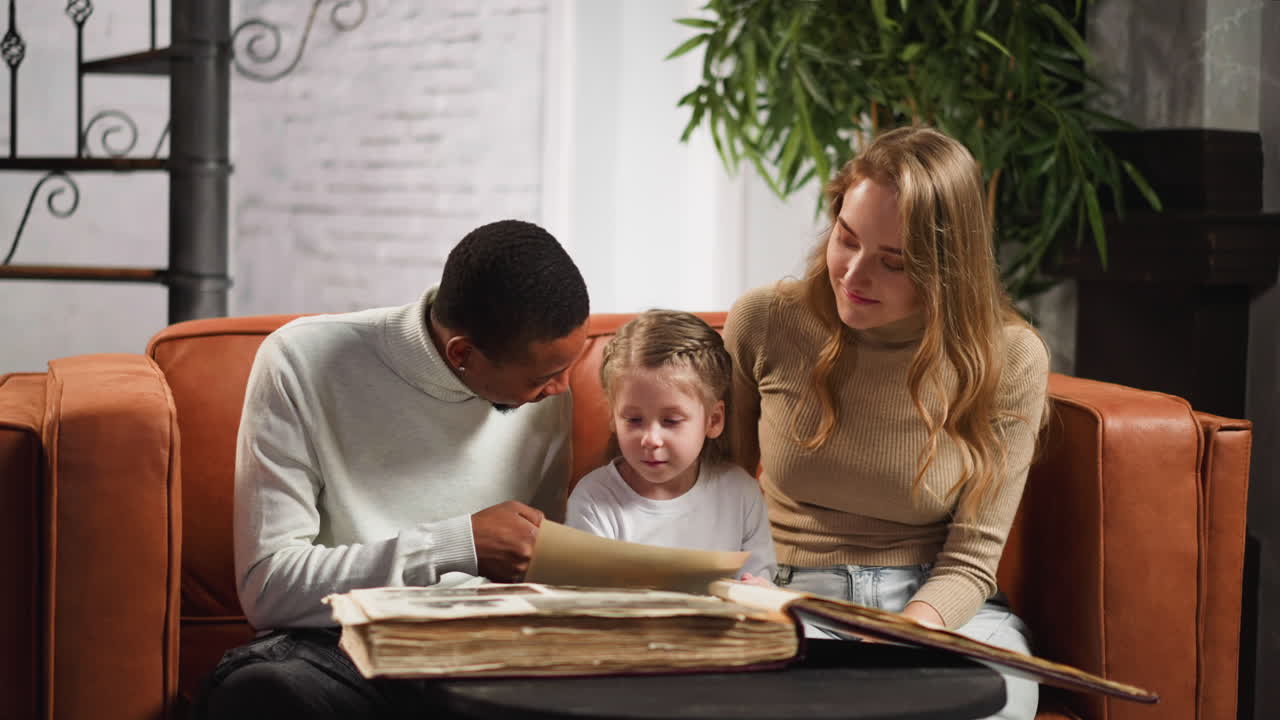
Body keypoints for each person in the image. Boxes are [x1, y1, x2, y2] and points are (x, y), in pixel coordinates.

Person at [196, 219, 590, 720]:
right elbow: (269, 588)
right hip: (341, 650)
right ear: (463, 354)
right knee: (263, 692)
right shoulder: (299, 361)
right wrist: (456, 546)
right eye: (546, 376)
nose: (562, 387)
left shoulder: (547, 393)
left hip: (488, 652)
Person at [722, 126, 1050, 720]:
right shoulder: (766, 321)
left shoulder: (1010, 357)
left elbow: (972, 559)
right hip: (792, 599)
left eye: (893, 263)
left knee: (996, 703)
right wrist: (748, 588)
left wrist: (908, 629)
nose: (852, 275)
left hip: (941, 607)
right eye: (846, 239)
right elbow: (718, 498)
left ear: (945, 269)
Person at [565, 309, 777, 583]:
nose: (651, 439)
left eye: (671, 420)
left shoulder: (741, 493)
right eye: (633, 420)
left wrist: (758, 591)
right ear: (613, 418)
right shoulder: (594, 499)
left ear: (713, 420)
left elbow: (760, 582)